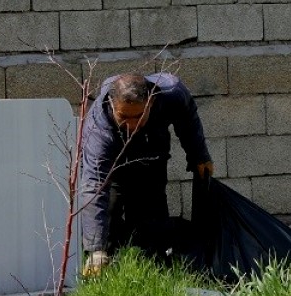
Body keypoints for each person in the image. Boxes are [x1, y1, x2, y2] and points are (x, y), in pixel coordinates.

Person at [79, 72, 213, 277]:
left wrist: (199, 155)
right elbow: (95, 185)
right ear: (113, 107)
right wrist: (95, 249)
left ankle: (154, 270)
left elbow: (188, 119)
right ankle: (106, 270)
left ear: (150, 103)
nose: (132, 125)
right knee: (110, 211)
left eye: (138, 117)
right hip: (115, 159)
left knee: (152, 219)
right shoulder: (99, 129)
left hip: (152, 151)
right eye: (124, 117)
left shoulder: (172, 93)